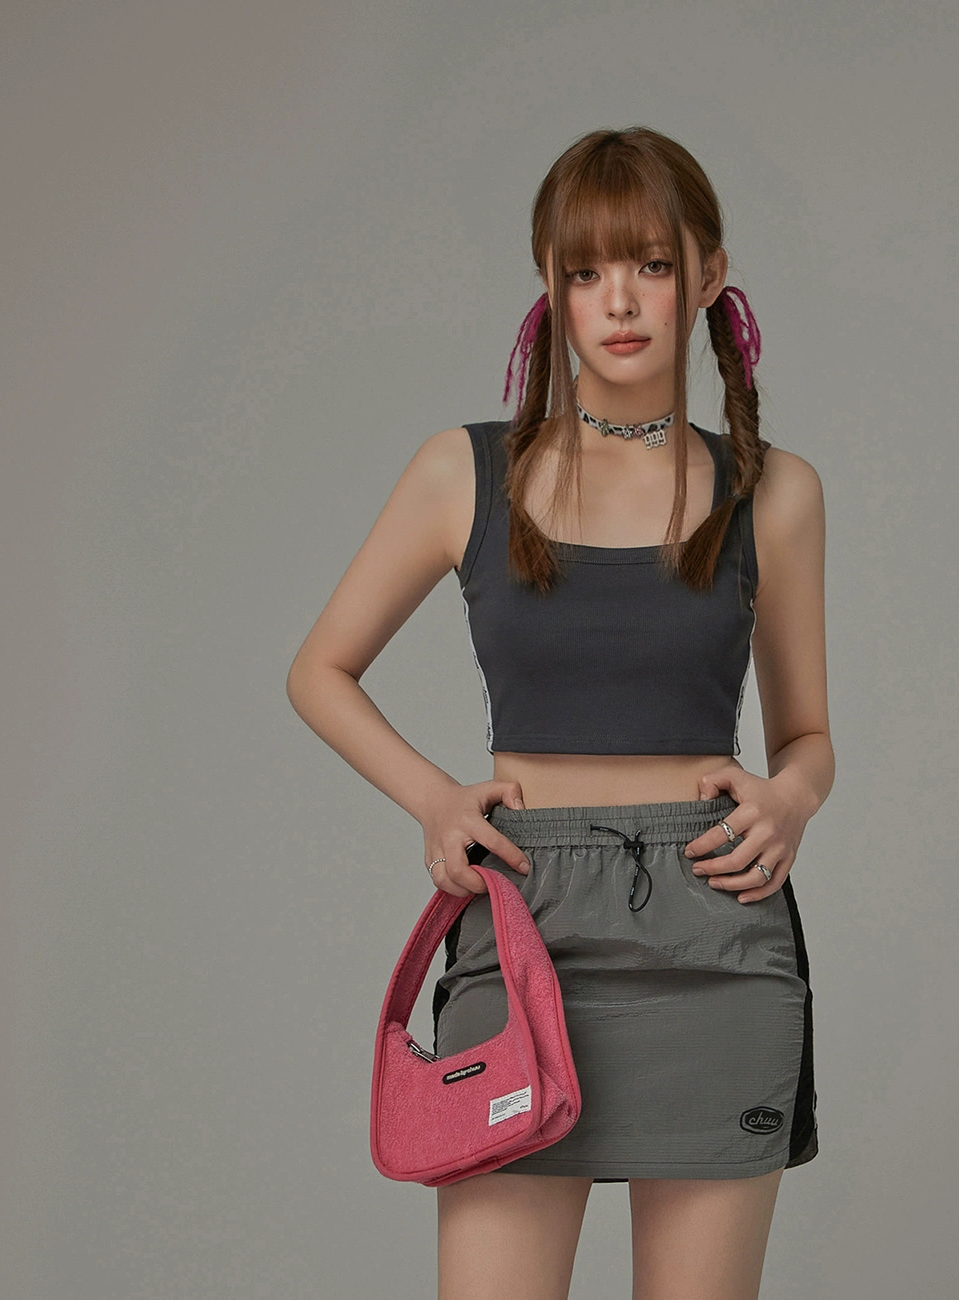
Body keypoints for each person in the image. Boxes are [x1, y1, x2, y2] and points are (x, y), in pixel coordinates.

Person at [286, 126, 833, 1300]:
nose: (617, 300)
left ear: (708, 273)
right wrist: (434, 800)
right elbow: (318, 669)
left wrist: (791, 796)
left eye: (649, 263)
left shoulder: (775, 491)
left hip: (715, 928)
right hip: (521, 919)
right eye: (585, 271)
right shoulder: (462, 472)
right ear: (550, 287)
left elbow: (806, 738)